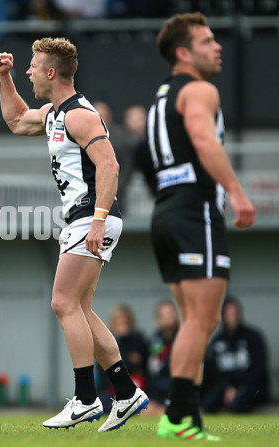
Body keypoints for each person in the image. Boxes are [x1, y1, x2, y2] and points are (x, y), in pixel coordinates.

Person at [0, 37, 148, 432]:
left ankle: (84, 399)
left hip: (91, 218)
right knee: (80, 309)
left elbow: (109, 166)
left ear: (50, 72)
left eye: (30, 66)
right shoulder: (53, 114)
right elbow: (15, 120)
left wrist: (96, 222)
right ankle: (126, 392)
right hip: (85, 218)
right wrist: (3, 77)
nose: (26, 71)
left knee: (62, 303)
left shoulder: (79, 115)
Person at [146, 13, 255, 440]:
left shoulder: (162, 95)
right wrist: (237, 191)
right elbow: (204, 140)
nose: (218, 46)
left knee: (196, 320)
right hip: (196, 211)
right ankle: (175, 415)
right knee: (200, 320)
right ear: (183, 53)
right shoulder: (200, 89)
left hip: (167, 211)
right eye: (207, 41)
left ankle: (187, 419)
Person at [202, 297, 269, 413]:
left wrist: (242, 389)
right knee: (209, 403)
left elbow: (259, 368)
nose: (232, 317)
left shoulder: (253, 337)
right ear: (223, 316)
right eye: (229, 314)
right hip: (226, 389)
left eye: (234, 313)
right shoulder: (217, 340)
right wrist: (227, 388)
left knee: (240, 403)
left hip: (250, 387)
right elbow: (213, 371)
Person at [96, 305, 148, 412]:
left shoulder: (137, 339)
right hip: (110, 389)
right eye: (118, 322)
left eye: (125, 322)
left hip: (135, 385)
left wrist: (125, 339)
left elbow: (137, 363)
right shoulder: (105, 342)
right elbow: (104, 368)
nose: (122, 327)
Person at [145, 300, 179, 416]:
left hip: (177, 394)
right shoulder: (153, 342)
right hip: (156, 397)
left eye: (171, 313)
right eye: (164, 315)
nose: (169, 317)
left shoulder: (183, 340)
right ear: (158, 319)